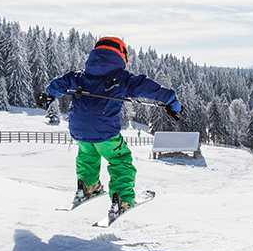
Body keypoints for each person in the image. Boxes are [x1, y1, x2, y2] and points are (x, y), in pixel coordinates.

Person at [39, 36, 180, 221]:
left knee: (87, 154)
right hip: (105, 132)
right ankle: (122, 199)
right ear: (121, 56)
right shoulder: (122, 79)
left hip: (78, 131)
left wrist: (48, 96)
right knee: (120, 159)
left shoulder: (80, 76)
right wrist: (172, 101)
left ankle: (87, 187)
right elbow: (148, 87)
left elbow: (60, 83)